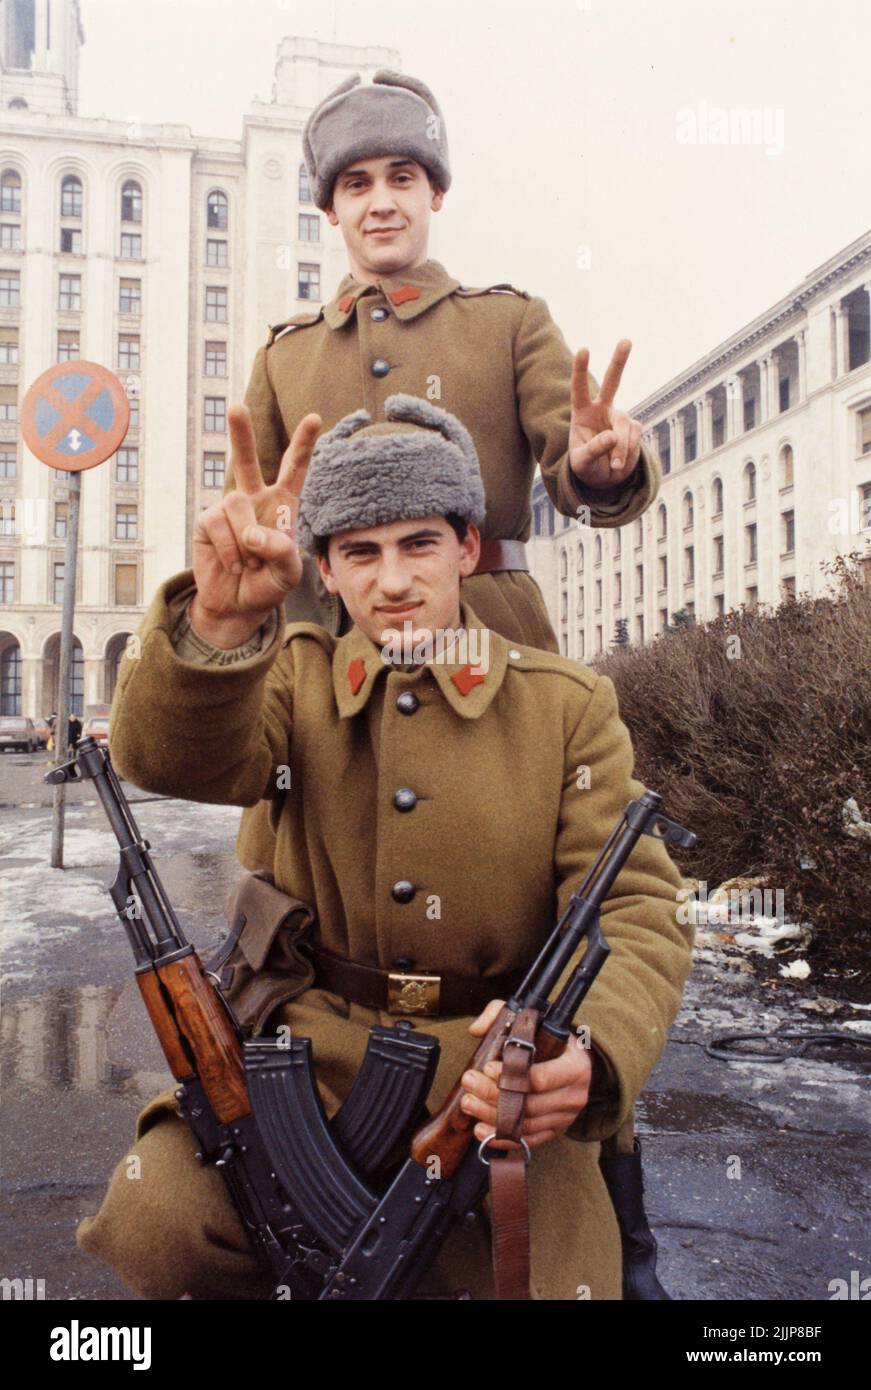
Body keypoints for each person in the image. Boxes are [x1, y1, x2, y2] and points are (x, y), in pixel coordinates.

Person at [75, 396, 693, 1300]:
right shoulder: (292, 680)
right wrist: (216, 623)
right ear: (323, 570)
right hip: (306, 1067)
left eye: (419, 543)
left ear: (468, 549)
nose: (392, 580)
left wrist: (591, 1060)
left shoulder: (565, 707)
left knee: (555, 1289)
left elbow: (637, 905)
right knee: (156, 1223)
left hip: (494, 1086)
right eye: (359, 552)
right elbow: (163, 758)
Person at [230, 67, 668, 1291]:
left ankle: (612, 1215)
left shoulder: (504, 321)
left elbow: (576, 459)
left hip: (487, 644)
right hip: (334, 667)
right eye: (356, 183)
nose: (381, 201)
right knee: (316, 899)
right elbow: (256, 509)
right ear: (330, 207)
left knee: (550, 930)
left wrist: (598, 465)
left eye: (402, 178)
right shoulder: (286, 356)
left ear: (433, 192)